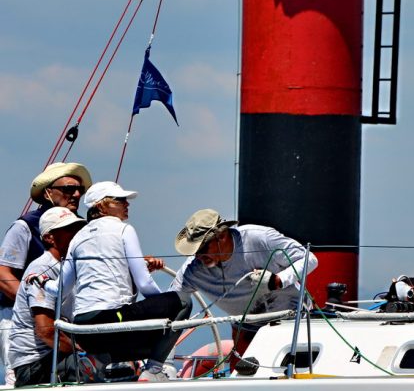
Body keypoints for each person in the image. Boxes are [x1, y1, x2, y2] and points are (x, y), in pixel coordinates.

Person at [56, 181, 190, 382]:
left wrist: (40, 281)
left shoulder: (77, 238)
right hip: (111, 323)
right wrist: (164, 306)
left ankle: (97, 360)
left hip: (82, 330)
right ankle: (153, 370)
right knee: (183, 302)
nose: (127, 204)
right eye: (120, 200)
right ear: (102, 205)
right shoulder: (123, 229)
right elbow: (144, 284)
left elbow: (60, 289)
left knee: (154, 333)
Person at [171, 209, 318, 360]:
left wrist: (278, 280)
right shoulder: (192, 270)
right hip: (245, 331)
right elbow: (171, 301)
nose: (198, 256)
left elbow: (309, 259)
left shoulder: (259, 238)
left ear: (221, 236)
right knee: (243, 374)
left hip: (292, 323)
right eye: (194, 251)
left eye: (202, 248)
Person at [0, 162, 91, 386]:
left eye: (80, 189)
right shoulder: (25, 226)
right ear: (48, 192)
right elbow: (2, 273)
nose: (76, 194)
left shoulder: (81, 228)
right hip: (20, 323)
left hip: (57, 322)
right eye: (69, 189)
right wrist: (36, 305)